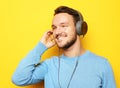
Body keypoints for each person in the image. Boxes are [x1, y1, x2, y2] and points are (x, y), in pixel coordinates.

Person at [12, 6, 116, 88]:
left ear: (79, 28)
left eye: (63, 26)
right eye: (54, 27)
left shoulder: (102, 65)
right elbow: (19, 78)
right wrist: (41, 47)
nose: (57, 32)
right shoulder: (50, 65)